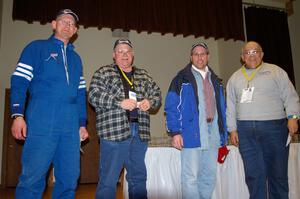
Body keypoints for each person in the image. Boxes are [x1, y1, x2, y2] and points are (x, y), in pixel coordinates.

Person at [10, 9, 89, 199]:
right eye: (63, 21)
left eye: (72, 24)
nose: (67, 25)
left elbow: (80, 94)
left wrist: (82, 124)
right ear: (54, 24)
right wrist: (17, 115)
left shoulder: (76, 59)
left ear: (75, 30)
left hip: (70, 125)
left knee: (69, 178)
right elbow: (19, 81)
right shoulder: (36, 48)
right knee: (32, 178)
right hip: (41, 119)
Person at [88, 38, 162, 199]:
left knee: (138, 177)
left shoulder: (143, 74)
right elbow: (93, 95)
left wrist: (150, 102)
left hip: (139, 132)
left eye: (127, 51)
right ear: (114, 55)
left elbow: (157, 94)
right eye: (120, 52)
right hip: (113, 133)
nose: (124, 55)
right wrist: (119, 103)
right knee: (108, 179)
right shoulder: (104, 72)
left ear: (133, 54)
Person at [226, 41, 300, 199]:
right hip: (245, 132)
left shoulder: (276, 71)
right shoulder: (234, 78)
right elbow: (230, 106)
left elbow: (291, 96)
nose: (252, 55)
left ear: (262, 54)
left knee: (278, 174)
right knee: (253, 176)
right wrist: (232, 129)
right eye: (248, 52)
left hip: (275, 128)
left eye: (255, 51)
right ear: (242, 57)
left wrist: (293, 117)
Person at [164, 42, 228, 199]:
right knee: (190, 177)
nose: (200, 57)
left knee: (209, 176)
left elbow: (223, 108)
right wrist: (175, 132)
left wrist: (223, 133)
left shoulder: (216, 80)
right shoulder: (180, 79)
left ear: (208, 56)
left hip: (213, 133)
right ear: (191, 57)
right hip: (191, 133)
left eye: (203, 54)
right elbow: (171, 107)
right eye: (196, 54)